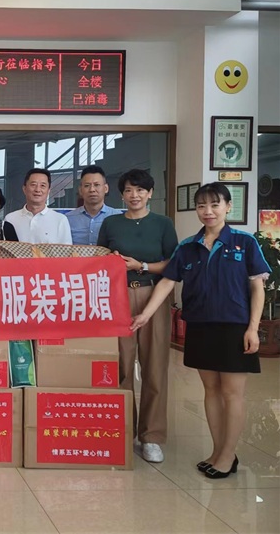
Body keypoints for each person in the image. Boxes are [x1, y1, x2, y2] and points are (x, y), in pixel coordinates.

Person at [131, 183, 269, 478]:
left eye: (215, 205)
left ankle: (227, 455)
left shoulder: (244, 242)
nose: (208, 211)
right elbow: (168, 281)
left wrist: (253, 328)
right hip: (200, 326)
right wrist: (145, 314)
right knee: (211, 391)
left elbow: (257, 287)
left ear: (228, 207)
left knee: (232, 393)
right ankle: (218, 451)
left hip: (234, 328)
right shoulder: (187, 246)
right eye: (202, 205)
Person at [97, 168, 178, 463]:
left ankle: (151, 437)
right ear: (121, 194)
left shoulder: (163, 224)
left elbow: (173, 263)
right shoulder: (111, 223)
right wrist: (112, 261)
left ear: (150, 193)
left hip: (153, 296)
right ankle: (122, 430)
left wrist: (141, 265)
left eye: (140, 190)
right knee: (120, 365)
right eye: (129, 190)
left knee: (154, 366)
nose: (135, 195)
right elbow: (100, 259)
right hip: (117, 298)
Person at [4, 168, 72, 244]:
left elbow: (66, 251)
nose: (37, 190)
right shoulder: (10, 219)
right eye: (33, 185)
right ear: (24, 189)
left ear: (48, 191)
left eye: (43, 185)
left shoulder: (60, 220)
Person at [65, 165, 123, 245]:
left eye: (97, 185)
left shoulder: (118, 217)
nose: (92, 190)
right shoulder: (68, 219)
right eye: (87, 185)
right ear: (80, 190)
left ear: (106, 188)